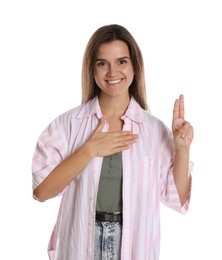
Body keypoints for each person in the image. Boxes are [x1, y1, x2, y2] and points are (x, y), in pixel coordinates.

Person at [32, 24, 194, 260]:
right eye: (102, 63)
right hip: (81, 243)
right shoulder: (68, 125)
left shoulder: (153, 130)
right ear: (92, 69)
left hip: (133, 245)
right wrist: (88, 150)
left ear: (135, 67)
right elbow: (41, 191)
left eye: (121, 61)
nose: (112, 72)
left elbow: (177, 198)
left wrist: (182, 149)